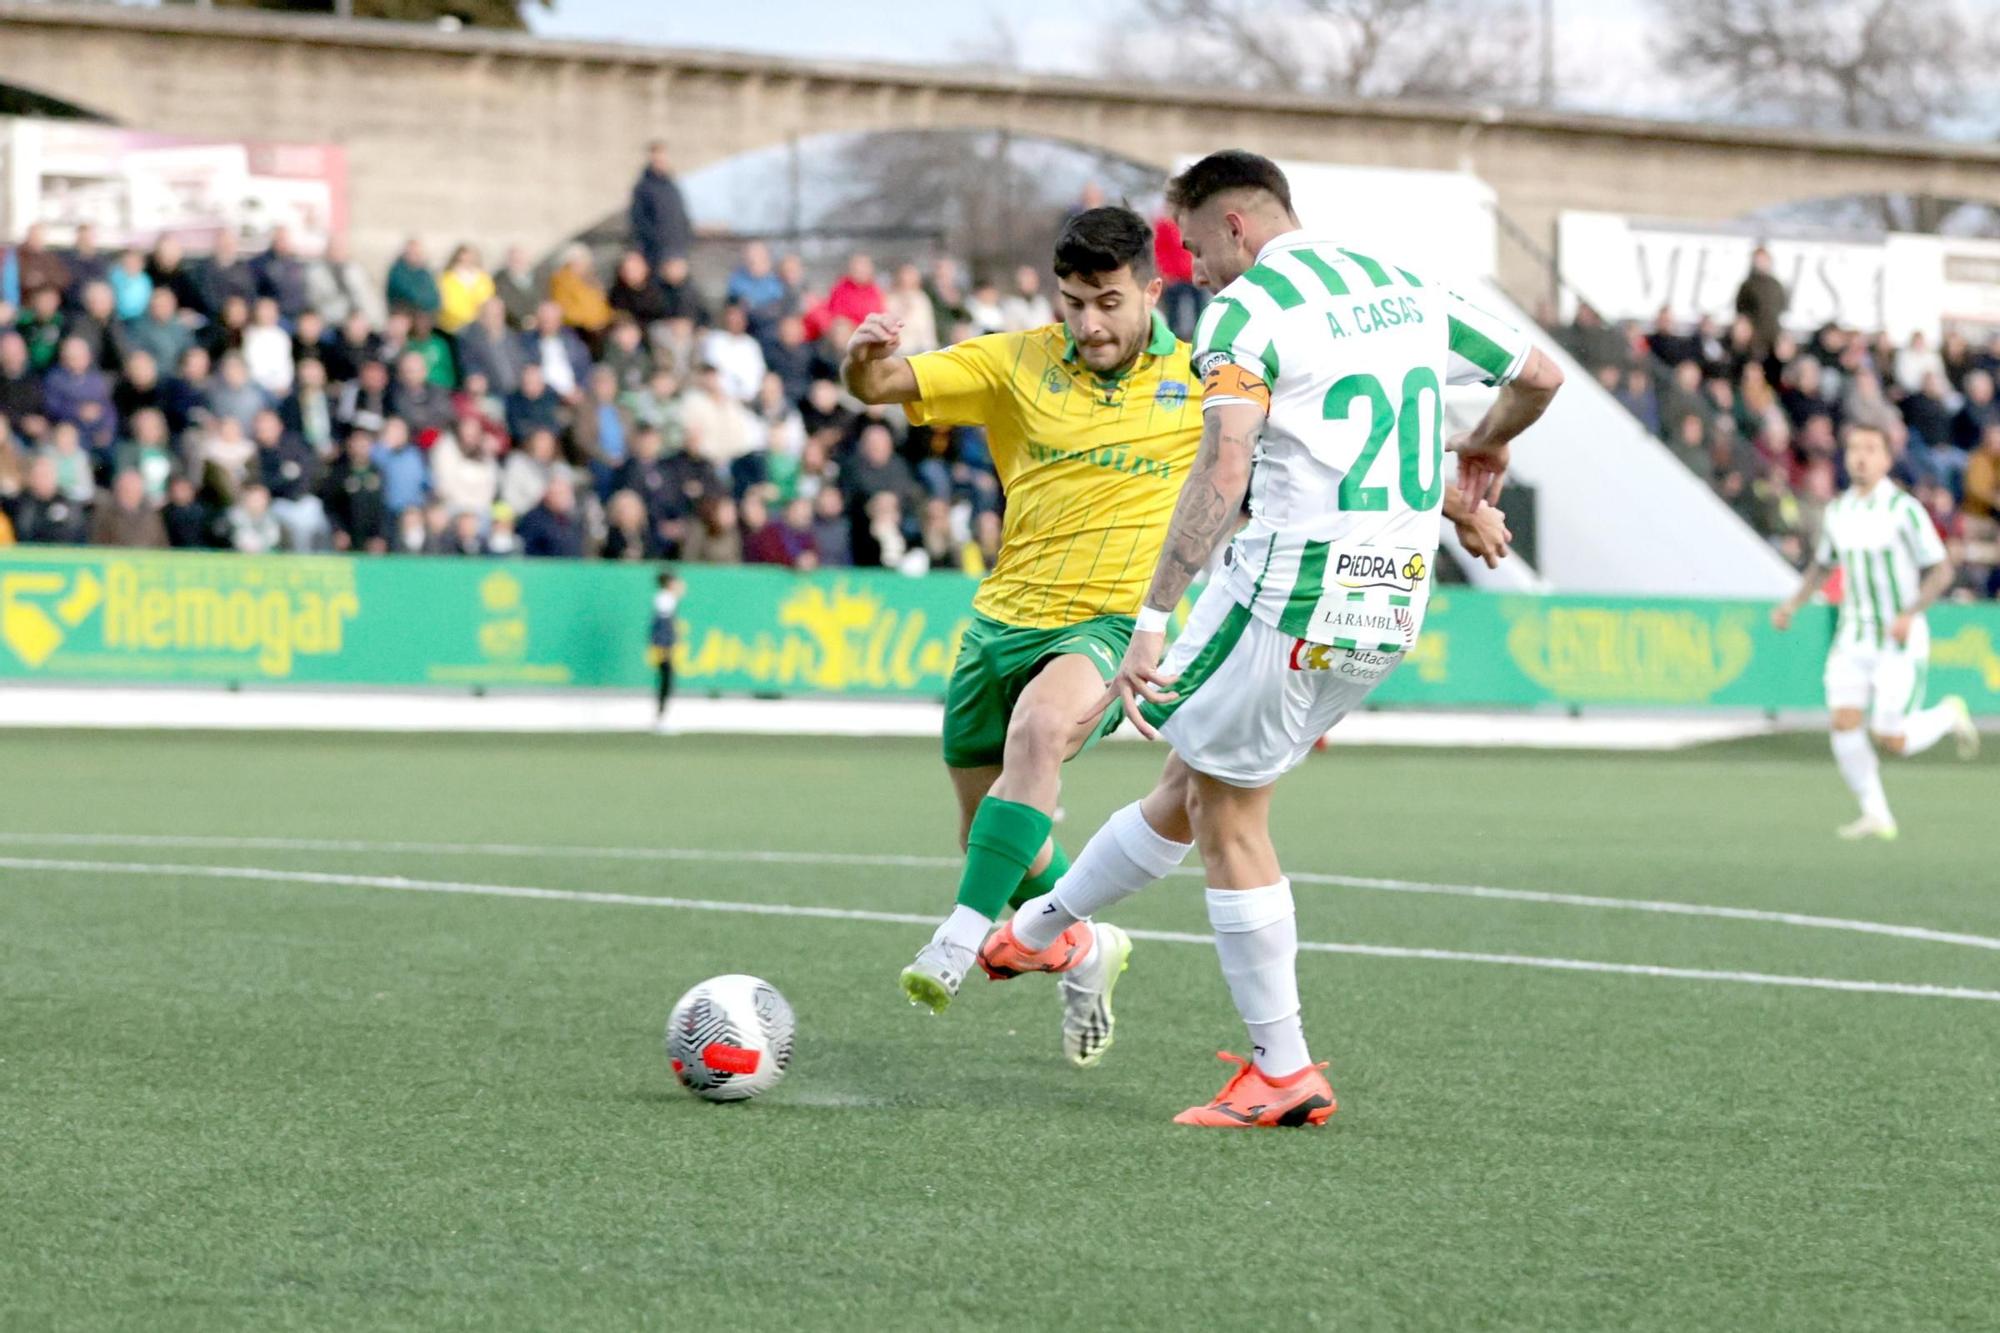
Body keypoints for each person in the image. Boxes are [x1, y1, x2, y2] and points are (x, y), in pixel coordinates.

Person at [977, 151, 1552, 1127]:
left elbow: (1225, 461)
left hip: (1286, 593)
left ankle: (1281, 1069)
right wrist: (1480, 454)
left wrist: (1151, 617)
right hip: (1391, 598)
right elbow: (1535, 375)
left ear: (1234, 226)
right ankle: (1040, 927)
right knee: (1190, 783)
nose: (1190, 268)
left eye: (1192, 247)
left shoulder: (1245, 313)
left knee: (1210, 796)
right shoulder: (1400, 282)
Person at [841, 205, 1208, 1060]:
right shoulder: (1015, 362)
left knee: (1041, 729)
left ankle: (960, 937)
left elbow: (1305, 448)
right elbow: (883, 387)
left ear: (1153, 291)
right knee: (994, 837)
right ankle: (1083, 943)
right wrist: (860, 361)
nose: (1090, 322)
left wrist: (1450, 497)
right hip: (1000, 621)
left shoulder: (1202, 382)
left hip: (1111, 623)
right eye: (1074, 302)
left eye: (1110, 302)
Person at [1771, 424, 1980, 841]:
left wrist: (1911, 612)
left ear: (1886, 459)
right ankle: (1876, 813)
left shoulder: (1903, 510)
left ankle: (1947, 713)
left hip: (1896, 639)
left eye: (1870, 449)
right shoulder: (1839, 511)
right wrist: (1792, 604)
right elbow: (1823, 565)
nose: (1860, 457)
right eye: (1854, 449)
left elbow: (1941, 570)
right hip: (1852, 637)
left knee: (1891, 738)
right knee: (1844, 722)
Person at [629, 142, 693, 272]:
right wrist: (657, 243)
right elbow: (639, 221)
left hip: (677, 253)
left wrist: (686, 241)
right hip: (655, 255)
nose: (660, 161)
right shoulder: (643, 188)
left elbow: (682, 217)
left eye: (662, 157)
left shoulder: (672, 187)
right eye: (656, 158)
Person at [1735, 246, 1787, 363]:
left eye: (1764, 260)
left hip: (1773, 335)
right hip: (1755, 338)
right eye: (1758, 260)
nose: (1761, 263)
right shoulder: (1748, 285)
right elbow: (1742, 312)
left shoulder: (1776, 285)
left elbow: (1781, 309)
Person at [649, 570, 686, 726]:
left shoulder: (664, 598)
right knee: (666, 678)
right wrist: (663, 646)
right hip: (663, 646)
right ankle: (660, 717)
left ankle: (661, 716)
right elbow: (662, 626)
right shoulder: (664, 598)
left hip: (664, 645)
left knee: (667, 679)